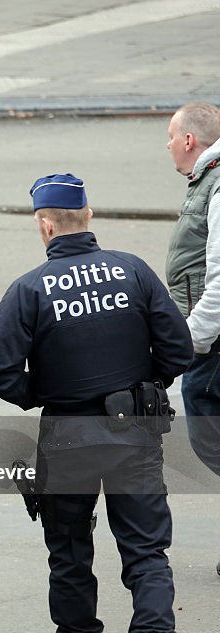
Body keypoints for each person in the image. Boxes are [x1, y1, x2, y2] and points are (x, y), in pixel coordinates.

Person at [0, 174, 193, 633]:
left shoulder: (29, 289)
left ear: (45, 225)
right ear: (89, 217)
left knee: (70, 553)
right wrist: (144, 382)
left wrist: (45, 392)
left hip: (68, 437)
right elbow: (180, 350)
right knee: (146, 552)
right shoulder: (134, 272)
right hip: (134, 432)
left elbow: (1, 373)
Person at [164, 103, 220, 492]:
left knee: (207, 433)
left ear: (188, 140)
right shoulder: (208, 182)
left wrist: (193, 339)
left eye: (170, 137)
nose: (167, 146)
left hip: (212, 344)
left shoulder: (217, 186)